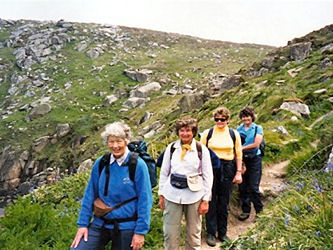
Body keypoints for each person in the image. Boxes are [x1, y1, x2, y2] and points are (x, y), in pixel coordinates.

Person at [71, 122, 153, 250]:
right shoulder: (101, 163)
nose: (115, 146)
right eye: (111, 142)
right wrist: (83, 225)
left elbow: (145, 199)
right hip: (101, 222)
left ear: (126, 141)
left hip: (127, 225)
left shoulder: (137, 165)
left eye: (119, 141)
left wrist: (140, 232)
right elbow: (90, 194)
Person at [158, 117, 213, 250]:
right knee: (170, 234)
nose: (185, 134)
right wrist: (161, 194)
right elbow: (164, 172)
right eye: (182, 130)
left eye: (188, 130)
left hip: (194, 195)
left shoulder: (201, 150)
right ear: (178, 132)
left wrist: (206, 199)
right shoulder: (171, 148)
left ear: (194, 132)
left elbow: (208, 175)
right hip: (172, 194)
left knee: (194, 234)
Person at [200, 107, 243, 247]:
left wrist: (238, 172)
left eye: (222, 119)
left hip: (228, 167)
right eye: (217, 119)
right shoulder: (208, 133)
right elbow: (200, 153)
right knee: (210, 199)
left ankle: (223, 233)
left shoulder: (233, 134)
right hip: (210, 168)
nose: (219, 122)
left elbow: (238, 154)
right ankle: (211, 233)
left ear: (228, 120)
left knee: (224, 201)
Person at [236, 106, 264, 221]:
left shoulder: (258, 128)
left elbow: (256, 143)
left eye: (247, 116)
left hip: (254, 159)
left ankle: (259, 211)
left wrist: (241, 148)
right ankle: (245, 211)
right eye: (243, 116)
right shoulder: (238, 129)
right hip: (242, 159)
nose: (245, 118)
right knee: (243, 187)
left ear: (252, 117)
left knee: (253, 186)